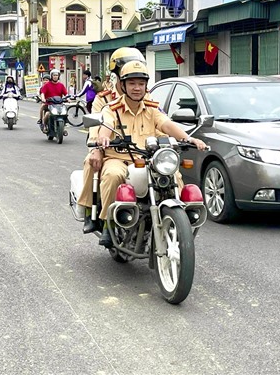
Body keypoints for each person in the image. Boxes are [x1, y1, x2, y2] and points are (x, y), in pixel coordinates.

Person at [94, 60, 208, 247]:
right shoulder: (111, 109)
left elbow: (167, 125)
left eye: (140, 83)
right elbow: (106, 126)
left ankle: (179, 220)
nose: (137, 88)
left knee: (174, 175)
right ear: (123, 85)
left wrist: (189, 139)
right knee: (113, 175)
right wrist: (103, 138)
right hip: (119, 158)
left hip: (148, 159)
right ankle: (109, 222)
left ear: (146, 86)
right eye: (131, 83)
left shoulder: (152, 108)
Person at [76, 47, 147, 233]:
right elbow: (96, 126)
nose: (136, 86)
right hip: (111, 150)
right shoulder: (104, 99)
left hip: (140, 152)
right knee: (92, 162)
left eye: (140, 81)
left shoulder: (146, 97)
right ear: (118, 74)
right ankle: (89, 210)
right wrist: (96, 147)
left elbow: (160, 121)